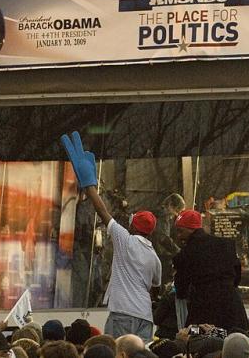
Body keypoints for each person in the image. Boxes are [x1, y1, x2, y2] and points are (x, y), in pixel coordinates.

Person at [61, 132, 162, 341]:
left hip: (123, 314)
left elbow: (102, 211)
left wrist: (89, 184)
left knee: (115, 352)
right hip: (146, 317)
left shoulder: (125, 239)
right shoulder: (155, 258)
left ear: (133, 227)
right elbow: (155, 290)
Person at [171, 209, 248, 330]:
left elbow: (181, 290)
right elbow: (237, 277)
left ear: (191, 229)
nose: (178, 235)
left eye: (180, 231)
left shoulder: (185, 255)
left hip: (203, 310)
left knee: (200, 344)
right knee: (235, 343)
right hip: (233, 307)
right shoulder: (226, 245)